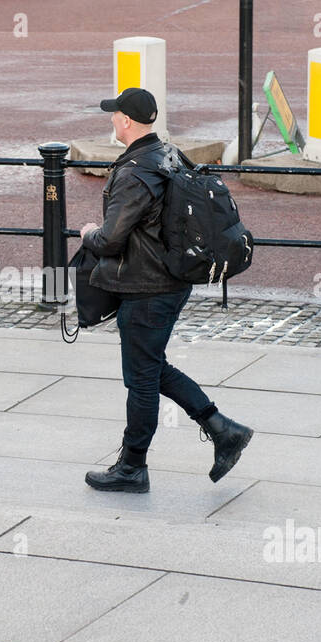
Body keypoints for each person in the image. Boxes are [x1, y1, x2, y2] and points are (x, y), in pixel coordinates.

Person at [78, 89, 254, 494]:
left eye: (114, 114)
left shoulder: (134, 172)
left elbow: (109, 240)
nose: (111, 120)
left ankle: (132, 467)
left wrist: (89, 233)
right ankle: (221, 429)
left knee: (141, 380)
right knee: (152, 368)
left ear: (125, 121)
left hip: (146, 289)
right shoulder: (167, 153)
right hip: (171, 283)